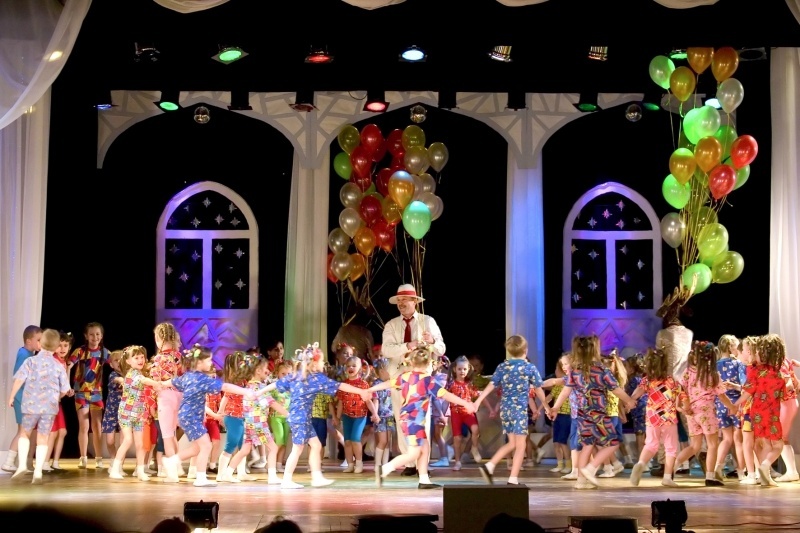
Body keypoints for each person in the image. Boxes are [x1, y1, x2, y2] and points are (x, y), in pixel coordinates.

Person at [260, 343, 372, 489]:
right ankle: (287, 480)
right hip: (301, 419)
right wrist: (361, 392)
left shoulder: (296, 375)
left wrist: (259, 392)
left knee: (316, 445)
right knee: (297, 449)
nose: (322, 363)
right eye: (321, 361)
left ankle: (316, 477)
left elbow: (276, 384)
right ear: (314, 363)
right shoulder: (316, 378)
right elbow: (340, 386)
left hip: (301, 418)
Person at [371, 347, 475, 489]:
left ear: (412, 363)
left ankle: (424, 480)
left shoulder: (406, 376)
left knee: (425, 448)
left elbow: (389, 383)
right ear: (428, 364)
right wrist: (465, 403)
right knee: (413, 453)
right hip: (413, 421)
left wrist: (371, 389)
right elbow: (445, 394)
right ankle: (384, 469)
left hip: (409, 419)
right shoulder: (427, 380)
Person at [547, 335, 635, 490]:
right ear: (595, 350)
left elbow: (566, 391)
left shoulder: (575, 372)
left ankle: (581, 481)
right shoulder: (602, 370)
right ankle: (591, 467)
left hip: (582, 415)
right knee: (613, 442)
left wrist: (555, 408)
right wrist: (629, 400)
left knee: (587, 446)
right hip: (599, 414)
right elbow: (616, 389)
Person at [161, 345, 255, 487]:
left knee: (197, 448)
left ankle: (172, 461)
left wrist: (160, 384)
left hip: (187, 416)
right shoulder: (202, 379)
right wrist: (246, 391)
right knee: (206, 446)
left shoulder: (188, 376)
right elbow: (226, 387)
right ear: (199, 363)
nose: (211, 363)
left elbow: (172, 382)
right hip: (191, 417)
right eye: (209, 360)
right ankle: (199, 478)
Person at [382, 283, 446, 477]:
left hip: (420, 379)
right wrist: (408, 345)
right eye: (399, 301)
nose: (401, 304)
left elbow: (441, 349)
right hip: (399, 378)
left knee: (422, 419)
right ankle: (409, 462)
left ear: (414, 302)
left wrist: (432, 342)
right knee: (401, 417)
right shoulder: (392, 324)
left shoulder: (428, 321)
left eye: (405, 300)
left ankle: (421, 464)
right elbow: (386, 350)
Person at [473, 335, 548, 486]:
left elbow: (492, 384)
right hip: (519, 410)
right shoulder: (529, 367)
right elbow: (538, 389)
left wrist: (479, 400)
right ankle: (513, 479)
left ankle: (490, 466)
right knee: (520, 445)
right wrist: (546, 406)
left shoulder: (503, 366)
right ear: (525, 350)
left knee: (512, 443)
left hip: (506, 410)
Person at [7, 328, 71, 483]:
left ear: (41, 343)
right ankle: (38, 471)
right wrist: (56, 397)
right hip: (49, 408)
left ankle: (22, 465)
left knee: (25, 434)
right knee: (43, 438)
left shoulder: (31, 361)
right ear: (56, 347)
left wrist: (12, 396)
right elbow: (65, 389)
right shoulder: (58, 365)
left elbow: (19, 379)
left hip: (30, 405)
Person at [674, 341, 734, 487]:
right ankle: (710, 476)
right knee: (712, 444)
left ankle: (671, 469)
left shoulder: (688, 372)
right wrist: (732, 407)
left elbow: (681, 390)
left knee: (694, 446)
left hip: (692, 412)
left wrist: (682, 405)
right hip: (706, 411)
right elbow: (721, 395)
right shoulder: (712, 374)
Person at [221, 353, 287, 485]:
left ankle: (227, 474)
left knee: (244, 450)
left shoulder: (247, 387)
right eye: (265, 368)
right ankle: (272, 476)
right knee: (273, 448)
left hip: (249, 424)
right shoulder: (259, 388)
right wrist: (289, 415)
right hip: (259, 424)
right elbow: (272, 403)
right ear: (258, 371)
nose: (268, 371)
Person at [735, 334, 787, 487]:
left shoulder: (755, 371)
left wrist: (735, 405)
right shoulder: (778, 374)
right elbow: (783, 396)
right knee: (778, 445)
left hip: (756, 413)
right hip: (771, 414)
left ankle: (765, 477)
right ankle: (765, 466)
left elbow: (748, 391)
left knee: (763, 443)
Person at [628, 347, 685, 487]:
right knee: (671, 448)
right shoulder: (672, 381)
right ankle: (667, 477)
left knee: (651, 444)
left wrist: (630, 401)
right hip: (668, 417)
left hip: (652, 416)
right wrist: (686, 408)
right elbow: (682, 396)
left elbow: (636, 393)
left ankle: (641, 463)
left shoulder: (647, 380)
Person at [109, 345, 165, 481]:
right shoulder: (133, 374)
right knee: (128, 440)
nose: (140, 360)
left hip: (139, 414)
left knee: (140, 444)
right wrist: (157, 384)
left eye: (142, 357)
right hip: (126, 413)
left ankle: (140, 471)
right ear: (128, 361)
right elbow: (144, 381)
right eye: (136, 358)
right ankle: (115, 469)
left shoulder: (139, 373)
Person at [67, 321, 109, 469]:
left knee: (97, 426)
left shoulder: (104, 352)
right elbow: (68, 365)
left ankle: (99, 458)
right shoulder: (80, 351)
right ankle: (83, 457)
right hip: (81, 393)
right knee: (84, 426)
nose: (94, 337)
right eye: (91, 334)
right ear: (86, 336)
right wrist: (67, 386)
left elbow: (117, 363)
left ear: (101, 336)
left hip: (97, 393)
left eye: (97, 334)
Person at [2, 325, 43, 474]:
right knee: (23, 432)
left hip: (25, 398)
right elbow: (19, 377)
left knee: (24, 432)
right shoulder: (24, 355)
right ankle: (9, 462)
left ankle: (14, 462)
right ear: (29, 341)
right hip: (22, 398)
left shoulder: (29, 354)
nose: (41, 343)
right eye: (38, 340)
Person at [149, 322, 184, 481]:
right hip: (179, 396)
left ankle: (172, 474)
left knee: (167, 435)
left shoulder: (159, 359)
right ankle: (177, 467)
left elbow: (155, 384)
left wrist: (151, 403)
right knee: (173, 434)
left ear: (159, 338)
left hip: (166, 397)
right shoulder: (179, 357)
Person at [335, 356, 378, 474]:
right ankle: (350, 464)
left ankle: (359, 463)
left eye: (354, 366)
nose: (351, 368)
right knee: (347, 441)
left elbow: (368, 401)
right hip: (347, 416)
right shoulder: (344, 385)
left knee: (355, 439)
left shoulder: (363, 384)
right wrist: (337, 417)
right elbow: (340, 402)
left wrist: (375, 413)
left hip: (360, 416)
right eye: (348, 366)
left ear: (359, 369)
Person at [216, 351, 254, 483]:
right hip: (233, 417)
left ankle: (241, 472)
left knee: (243, 445)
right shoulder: (233, 382)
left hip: (242, 416)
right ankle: (221, 474)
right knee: (231, 444)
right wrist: (220, 413)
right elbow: (225, 397)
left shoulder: (244, 381)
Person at [714, 335, 747, 481]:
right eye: (736, 346)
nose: (738, 349)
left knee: (726, 439)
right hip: (736, 404)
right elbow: (745, 386)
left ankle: (718, 467)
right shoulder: (738, 364)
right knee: (738, 440)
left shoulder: (714, 365)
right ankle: (741, 472)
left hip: (720, 404)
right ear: (729, 347)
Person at [42, 330, 75, 472]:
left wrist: (68, 390)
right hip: (50, 402)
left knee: (62, 432)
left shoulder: (63, 362)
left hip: (57, 402)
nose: (62, 348)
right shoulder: (53, 360)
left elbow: (64, 383)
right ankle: (45, 462)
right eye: (59, 345)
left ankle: (55, 462)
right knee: (53, 432)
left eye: (65, 345)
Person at [447, 355, 482, 471]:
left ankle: (474, 448)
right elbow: (445, 396)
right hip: (456, 413)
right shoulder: (451, 384)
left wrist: (491, 408)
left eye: (464, 369)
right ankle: (457, 461)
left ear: (468, 370)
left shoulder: (469, 384)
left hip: (467, 412)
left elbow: (478, 395)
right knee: (457, 438)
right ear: (454, 369)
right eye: (459, 369)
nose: (462, 371)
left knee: (475, 429)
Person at [598, 349, 628, 478]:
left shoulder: (608, 381)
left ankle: (609, 467)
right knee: (603, 443)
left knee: (603, 443)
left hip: (607, 415)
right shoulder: (615, 380)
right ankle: (614, 464)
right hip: (611, 415)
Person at [541, 354, 571, 474]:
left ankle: (568, 464)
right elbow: (548, 398)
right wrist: (541, 408)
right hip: (557, 415)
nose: (556, 372)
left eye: (557, 369)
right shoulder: (557, 386)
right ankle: (560, 464)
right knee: (556, 441)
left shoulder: (568, 383)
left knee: (563, 442)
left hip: (566, 415)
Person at [776, 347, 800, 482]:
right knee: (782, 437)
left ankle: (791, 471)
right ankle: (791, 471)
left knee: (781, 437)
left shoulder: (778, 363)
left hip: (786, 403)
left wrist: (774, 393)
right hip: (790, 402)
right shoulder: (785, 361)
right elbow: (796, 384)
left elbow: (790, 384)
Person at [101, 350, 125, 471]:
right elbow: (117, 380)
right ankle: (113, 459)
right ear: (111, 364)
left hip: (124, 412)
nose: (119, 362)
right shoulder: (113, 375)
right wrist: (123, 380)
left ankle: (119, 465)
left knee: (123, 441)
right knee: (110, 441)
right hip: (111, 412)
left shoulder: (129, 374)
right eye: (116, 360)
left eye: (121, 360)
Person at [268, 361, 293, 477]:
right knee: (279, 440)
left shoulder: (292, 387)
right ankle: (270, 464)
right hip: (276, 417)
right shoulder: (274, 387)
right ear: (277, 373)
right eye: (283, 373)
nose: (286, 376)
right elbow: (269, 402)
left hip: (287, 418)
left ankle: (279, 464)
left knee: (284, 442)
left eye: (289, 374)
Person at [623, 353, 647, 469]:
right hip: (642, 410)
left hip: (639, 411)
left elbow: (631, 397)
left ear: (632, 369)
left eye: (626, 367)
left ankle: (642, 462)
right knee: (643, 436)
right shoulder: (640, 379)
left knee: (640, 436)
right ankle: (645, 461)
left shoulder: (634, 380)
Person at [371, 357, 395, 468]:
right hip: (381, 416)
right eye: (389, 370)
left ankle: (385, 464)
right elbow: (375, 400)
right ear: (381, 371)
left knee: (388, 441)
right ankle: (378, 464)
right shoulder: (377, 385)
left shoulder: (391, 383)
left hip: (390, 416)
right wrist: (375, 414)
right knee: (382, 441)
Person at [429, 356, 451, 468]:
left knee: (438, 434)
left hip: (441, 409)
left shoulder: (443, 377)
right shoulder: (431, 377)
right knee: (434, 435)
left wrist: (442, 413)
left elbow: (441, 396)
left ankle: (444, 458)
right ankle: (447, 451)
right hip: (435, 410)